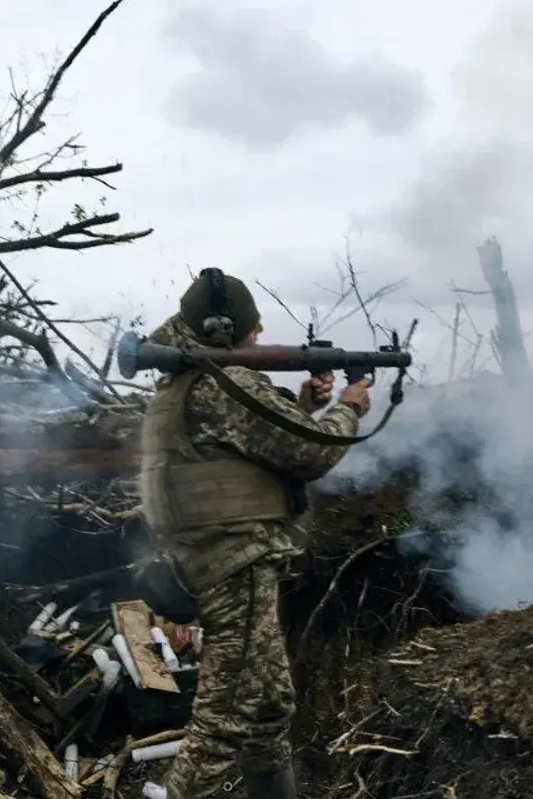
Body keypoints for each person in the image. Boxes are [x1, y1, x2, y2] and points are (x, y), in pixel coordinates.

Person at [138, 269, 372, 799]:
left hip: (210, 556)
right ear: (222, 329)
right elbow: (310, 452)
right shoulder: (224, 382)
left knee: (267, 708)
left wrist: (307, 405)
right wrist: (349, 409)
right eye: (251, 326)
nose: (260, 330)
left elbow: (255, 440)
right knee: (225, 720)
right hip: (233, 562)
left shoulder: (186, 380)